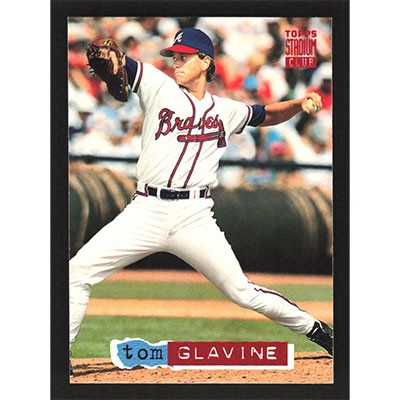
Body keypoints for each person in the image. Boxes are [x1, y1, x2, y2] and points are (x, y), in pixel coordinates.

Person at [69, 28, 333, 376]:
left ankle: (319, 331)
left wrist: (298, 105)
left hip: (194, 216)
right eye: (174, 56)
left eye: (184, 56)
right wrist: (106, 56)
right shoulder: (158, 85)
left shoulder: (226, 110)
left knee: (242, 292)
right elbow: (121, 62)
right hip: (146, 211)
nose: (176, 62)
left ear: (205, 61)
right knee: (76, 272)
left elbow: (265, 114)